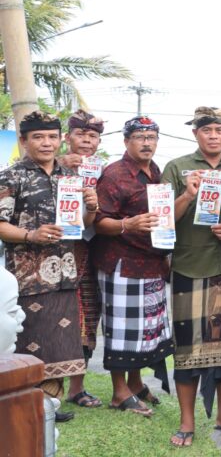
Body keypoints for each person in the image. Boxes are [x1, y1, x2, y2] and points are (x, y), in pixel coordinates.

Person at [161, 106, 221, 446]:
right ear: (195, 133)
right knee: (187, 351)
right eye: (206, 130)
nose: (213, 135)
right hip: (190, 267)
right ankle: (187, 422)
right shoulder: (177, 167)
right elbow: (162, 220)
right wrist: (187, 195)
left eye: (219, 129)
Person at [0, 111, 96, 423]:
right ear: (24, 141)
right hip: (27, 279)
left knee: (59, 346)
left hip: (65, 275)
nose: (46, 142)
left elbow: (82, 226)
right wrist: (30, 234)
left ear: (60, 140)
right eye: (38, 137)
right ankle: (27, 410)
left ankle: (49, 407)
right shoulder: (11, 177)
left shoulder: (69, 178)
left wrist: (92, 207)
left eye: (52, 136)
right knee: (29, 346)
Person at [93, 116, 175, 417]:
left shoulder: (155, 172)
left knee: (145, 330)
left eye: (151, 137)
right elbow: (99, 222)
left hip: (152, 263)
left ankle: (136, 382)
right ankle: (118, 393)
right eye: (140, 137)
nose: (146, 143)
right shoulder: (114, 174)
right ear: (126, 141)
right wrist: (127, 224)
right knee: (122, 331)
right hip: (122, 264)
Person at [57, 109, 105, 410]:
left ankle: (77, 387)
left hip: (88, 251)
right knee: (54, 319)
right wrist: (60, 165)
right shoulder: (49, 165)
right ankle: (49, 389)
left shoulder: (103, 170)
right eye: (81, 134)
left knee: (88, 317)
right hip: (53, 252)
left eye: (93, 136)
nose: (87, 140)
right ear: (67, 137)